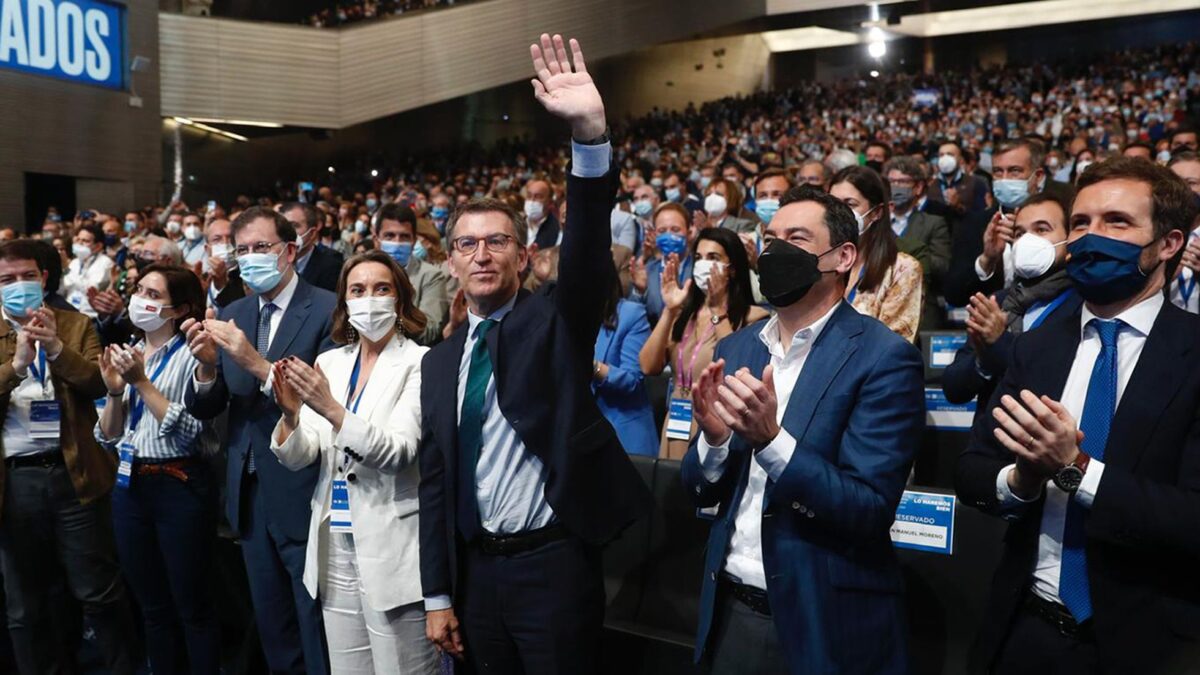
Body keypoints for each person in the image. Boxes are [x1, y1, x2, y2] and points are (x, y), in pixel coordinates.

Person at [419, 34, 651, 673]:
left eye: (497, 242)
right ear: (450, 263)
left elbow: (582, 253)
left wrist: (590, 139)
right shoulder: (439, 363)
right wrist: (439, 594)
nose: (482, 255)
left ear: (523, 257)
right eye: (466, 245)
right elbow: (436, 485)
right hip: (475, 575)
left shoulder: (557, 322)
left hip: (553, 566)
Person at [954, 157, 1200, 674]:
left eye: (1117, 222)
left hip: (1147, 643)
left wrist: (1077, 469)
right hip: (1023, 628)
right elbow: (973, 472)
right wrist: (1021, 479)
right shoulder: (1036, 348)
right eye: (1082, 223)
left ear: (1170, 243)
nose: (1092, 237)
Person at [681, 185, 924, 674]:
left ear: (842, 255)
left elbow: (869, 508)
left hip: (817, 619)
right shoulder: (743, 346)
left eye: (796, 238)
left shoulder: (884, 358)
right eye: (770, 240)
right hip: (727, 606)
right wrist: (714, 440)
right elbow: (698, 487)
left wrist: (772, 443)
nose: (776, 252)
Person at [183, 206, 336, 675]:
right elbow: (208, 405)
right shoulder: (235, 311)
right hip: (247, 492)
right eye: (242, 250)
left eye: (261, 248)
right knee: (272, 623)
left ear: (289, 252)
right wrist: (208, 365)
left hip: (303, 485)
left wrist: (253, 361)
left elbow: (326, 402)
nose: (249, 258)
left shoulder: (328, 308)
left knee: (315, 621)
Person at [271, 250, 438, 674]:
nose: (369, 299)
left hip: (391, 546)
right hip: (334, 546)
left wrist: (329, 407)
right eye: (357, 290)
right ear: (344, 304)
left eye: (381, 289)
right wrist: (291, 415)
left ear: (400, 300)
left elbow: (398, 451)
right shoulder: (330, 361)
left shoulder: (420, 362)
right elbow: (304, 454)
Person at [0, 240, 139, 674]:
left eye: (26, 276)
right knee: (26, 604)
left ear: (42, 278)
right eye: (7, 280)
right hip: (13, 481)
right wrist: (17, 366)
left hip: (73, 473)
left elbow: (101, 384)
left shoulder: (76, 324)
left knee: (97, 593)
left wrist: (57, 350)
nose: (18, 285)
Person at [94, 264, 220, 675]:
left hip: (179, 484)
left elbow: (192, 434)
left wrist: (143, 383)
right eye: (139, 289)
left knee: (192, 607)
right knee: (152, 608)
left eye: (153, 294)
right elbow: (109, 435)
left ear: (178, 309)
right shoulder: (131, 350)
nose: (140, 299)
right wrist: (116, 390)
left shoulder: (192, 356)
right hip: (129, 487)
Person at [942, 193, 1082, 419]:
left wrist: (998, 344)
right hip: (988, 444)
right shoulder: (999, 302)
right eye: (1020, 233)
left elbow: (1047, 382)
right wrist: (982, 361)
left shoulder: (1082, 304)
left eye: (1041, 230)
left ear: (1070, 239)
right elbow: (953, 388)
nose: (1028, 240)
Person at [638, 227, 768, 459]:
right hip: (677, 418)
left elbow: (736, 369)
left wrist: (718, 311)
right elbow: (648, 366)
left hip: (718, 425)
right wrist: (669, 310)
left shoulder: (754, 317)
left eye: (713, 258)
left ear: (733, 269)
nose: (703, 264)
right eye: (698, 258)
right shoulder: (684, 315)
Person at [944, 139, 1074, 308]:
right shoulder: (974, 224)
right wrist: (986, 260)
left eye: (1014, 171)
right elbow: (954, 295)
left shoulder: (1060, 221)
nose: (1004, 180)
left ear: (1038, 176)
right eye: (998, 172)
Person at [830, 166, 924, 343]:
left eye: (850, 204)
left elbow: (893, 345)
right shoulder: (819, 263)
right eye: (833, 204)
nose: (838, 212)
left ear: (876, 212)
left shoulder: (902, 269)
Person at [592, 263, 657, 457]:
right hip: (577, 434)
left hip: (623, 434)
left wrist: (591, 366)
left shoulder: (630, 314)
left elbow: (632, 380)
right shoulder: (564, 317)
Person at [884, 156, 951, 331]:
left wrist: (909, 253)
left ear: (918, 187)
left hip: (921, 311)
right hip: (880, 310)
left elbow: (942, 267)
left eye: (903, 182)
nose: (896, 187)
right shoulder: (876, 223)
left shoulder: (934, 223)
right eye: (892, 181)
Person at [373, 203, 449, 345]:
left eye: (404, 237)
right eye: (389, 236)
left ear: (414, 241)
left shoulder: (431, 276)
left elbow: (429, 331)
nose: (397, 243)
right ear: (377, 239)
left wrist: (392, 314)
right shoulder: (362, 274)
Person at [631, 202, 696, 325]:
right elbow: (632, 318)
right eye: (662, 231)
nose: (669, 235)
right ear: (655, 235)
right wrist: (640, 291)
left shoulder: (698, 268)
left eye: (675, 229)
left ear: (689, 232)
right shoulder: (647, 270)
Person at [281, 202, 344, 293]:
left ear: (312, 233)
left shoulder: (331, 266)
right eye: (282, 226)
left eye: (294, 226)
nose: (286, 232)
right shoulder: (272, 263)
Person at [62, 223, 115, 318]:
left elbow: (91, 289)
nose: (79, 243)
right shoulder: (74, 262)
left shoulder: (105, 262)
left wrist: (67, 270)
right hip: (70, 313)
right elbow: (64, 288)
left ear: (98, 246)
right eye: (78, 239)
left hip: (91, 316)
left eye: (85, 241)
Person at [927, 140, 990, 215]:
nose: (945, 158)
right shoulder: (930, 185)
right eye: (941, 155)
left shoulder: (976, 182)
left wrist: (958, 206)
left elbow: (981, 215)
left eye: (950, 155)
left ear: (960, 160)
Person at [204, 217, 244, 308]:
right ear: (207, 249)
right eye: (217, 239)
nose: (225, 243)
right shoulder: (203, 278)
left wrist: (222, 284)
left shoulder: (246, 276)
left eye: (230, 238)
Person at [523, 178, 560, 249]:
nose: (532, 201)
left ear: (550, 203)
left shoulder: (556, 230)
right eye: (529, 196)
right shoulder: (516, 224)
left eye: (538, 197)